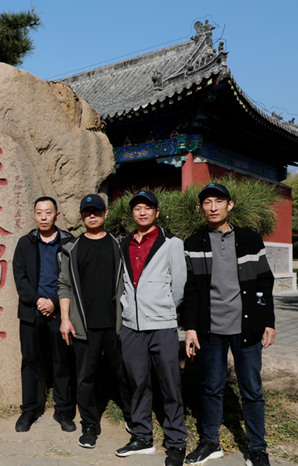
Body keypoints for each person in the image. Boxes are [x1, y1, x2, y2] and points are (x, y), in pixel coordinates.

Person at [184, 183, 276, 466]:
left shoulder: (250, 239)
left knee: (252, 390)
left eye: (218, 201)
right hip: (210, 329)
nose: (213, 207)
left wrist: (268, 320)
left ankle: (257, 448)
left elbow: (264, 282)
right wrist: (190, 327)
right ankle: (210, 442)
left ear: (230, 205)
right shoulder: (193, 243)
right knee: (211, 386)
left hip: (246, 327)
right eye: (207, 202)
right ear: (200, 208)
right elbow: (191, 290)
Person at [115, 191, 188, 466]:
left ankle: (176, 441)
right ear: (131, 214)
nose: (142, 212)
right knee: (138, 383)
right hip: (131, 327)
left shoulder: (172, 243)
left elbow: (179, 284)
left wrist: (165, 308)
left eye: (148, 208)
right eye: (137, 208)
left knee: (170, 384)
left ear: (157, 212)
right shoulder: (124, 243)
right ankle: (142, 436)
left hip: (162, 325)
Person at [58, 194, 131, 449]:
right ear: (81, 216)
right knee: (85, 378)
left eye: (96, 211)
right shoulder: (72, 249)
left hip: (117, 324)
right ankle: (89, 425)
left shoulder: (119, 245)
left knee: (125, 374)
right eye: (87, 211)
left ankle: (133, 417)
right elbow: (64, 285)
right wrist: (65, 319)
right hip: (83, 326)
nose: (92, 215)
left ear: (105, 213)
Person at [12, 196, 76, 432]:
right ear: (34, 215)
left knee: (62, 361)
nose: (43, 217)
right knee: (29, 361)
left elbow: (75, 278)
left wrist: (55, 302)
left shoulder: (69, 243)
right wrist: (38, 300)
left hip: (60, 312)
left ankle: (63, 410)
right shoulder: (25, 242)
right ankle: (29, 410)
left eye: (48, 212)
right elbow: (19, 276)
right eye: (39, 212)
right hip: (32, 312)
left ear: (56, 215)